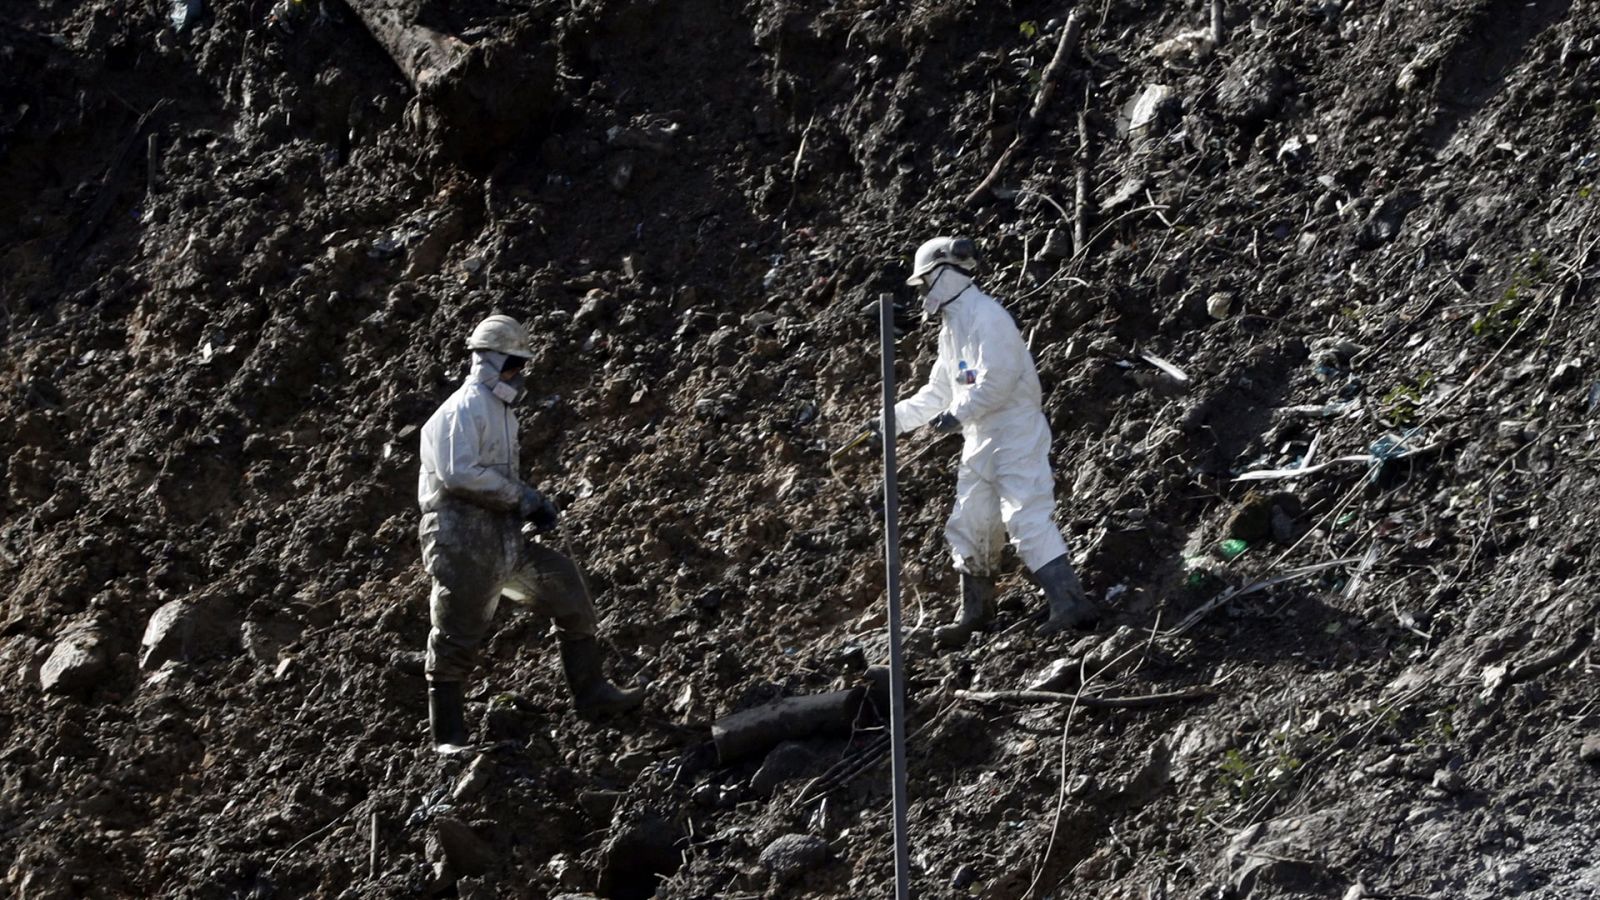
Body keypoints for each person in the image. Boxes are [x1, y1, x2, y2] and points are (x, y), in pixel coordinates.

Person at [418, 314, 642, 753]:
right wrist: (522, 497)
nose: (518, 374)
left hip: (501, 539)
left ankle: (593, 695)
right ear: (492, 361)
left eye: (521, 365)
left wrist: (528, 505)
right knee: (456, 633)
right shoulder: (462, 408)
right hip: (462, 540)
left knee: (568, 592)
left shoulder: (501, 412)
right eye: (513, 363)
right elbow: (459, 474)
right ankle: (447, 737)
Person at [868, 237, 1097, 647]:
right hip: (980, 437)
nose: (922, 294)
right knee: (971, 522)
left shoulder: (989, 317)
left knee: (1025, 517)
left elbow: (999, 379)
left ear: (946, 272)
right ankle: (975, 613)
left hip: (1014, 431)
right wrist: (889, 422)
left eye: (924, 284)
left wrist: (959, 413)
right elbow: (938, 392)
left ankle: (1070, 603)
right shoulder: (952, 329)